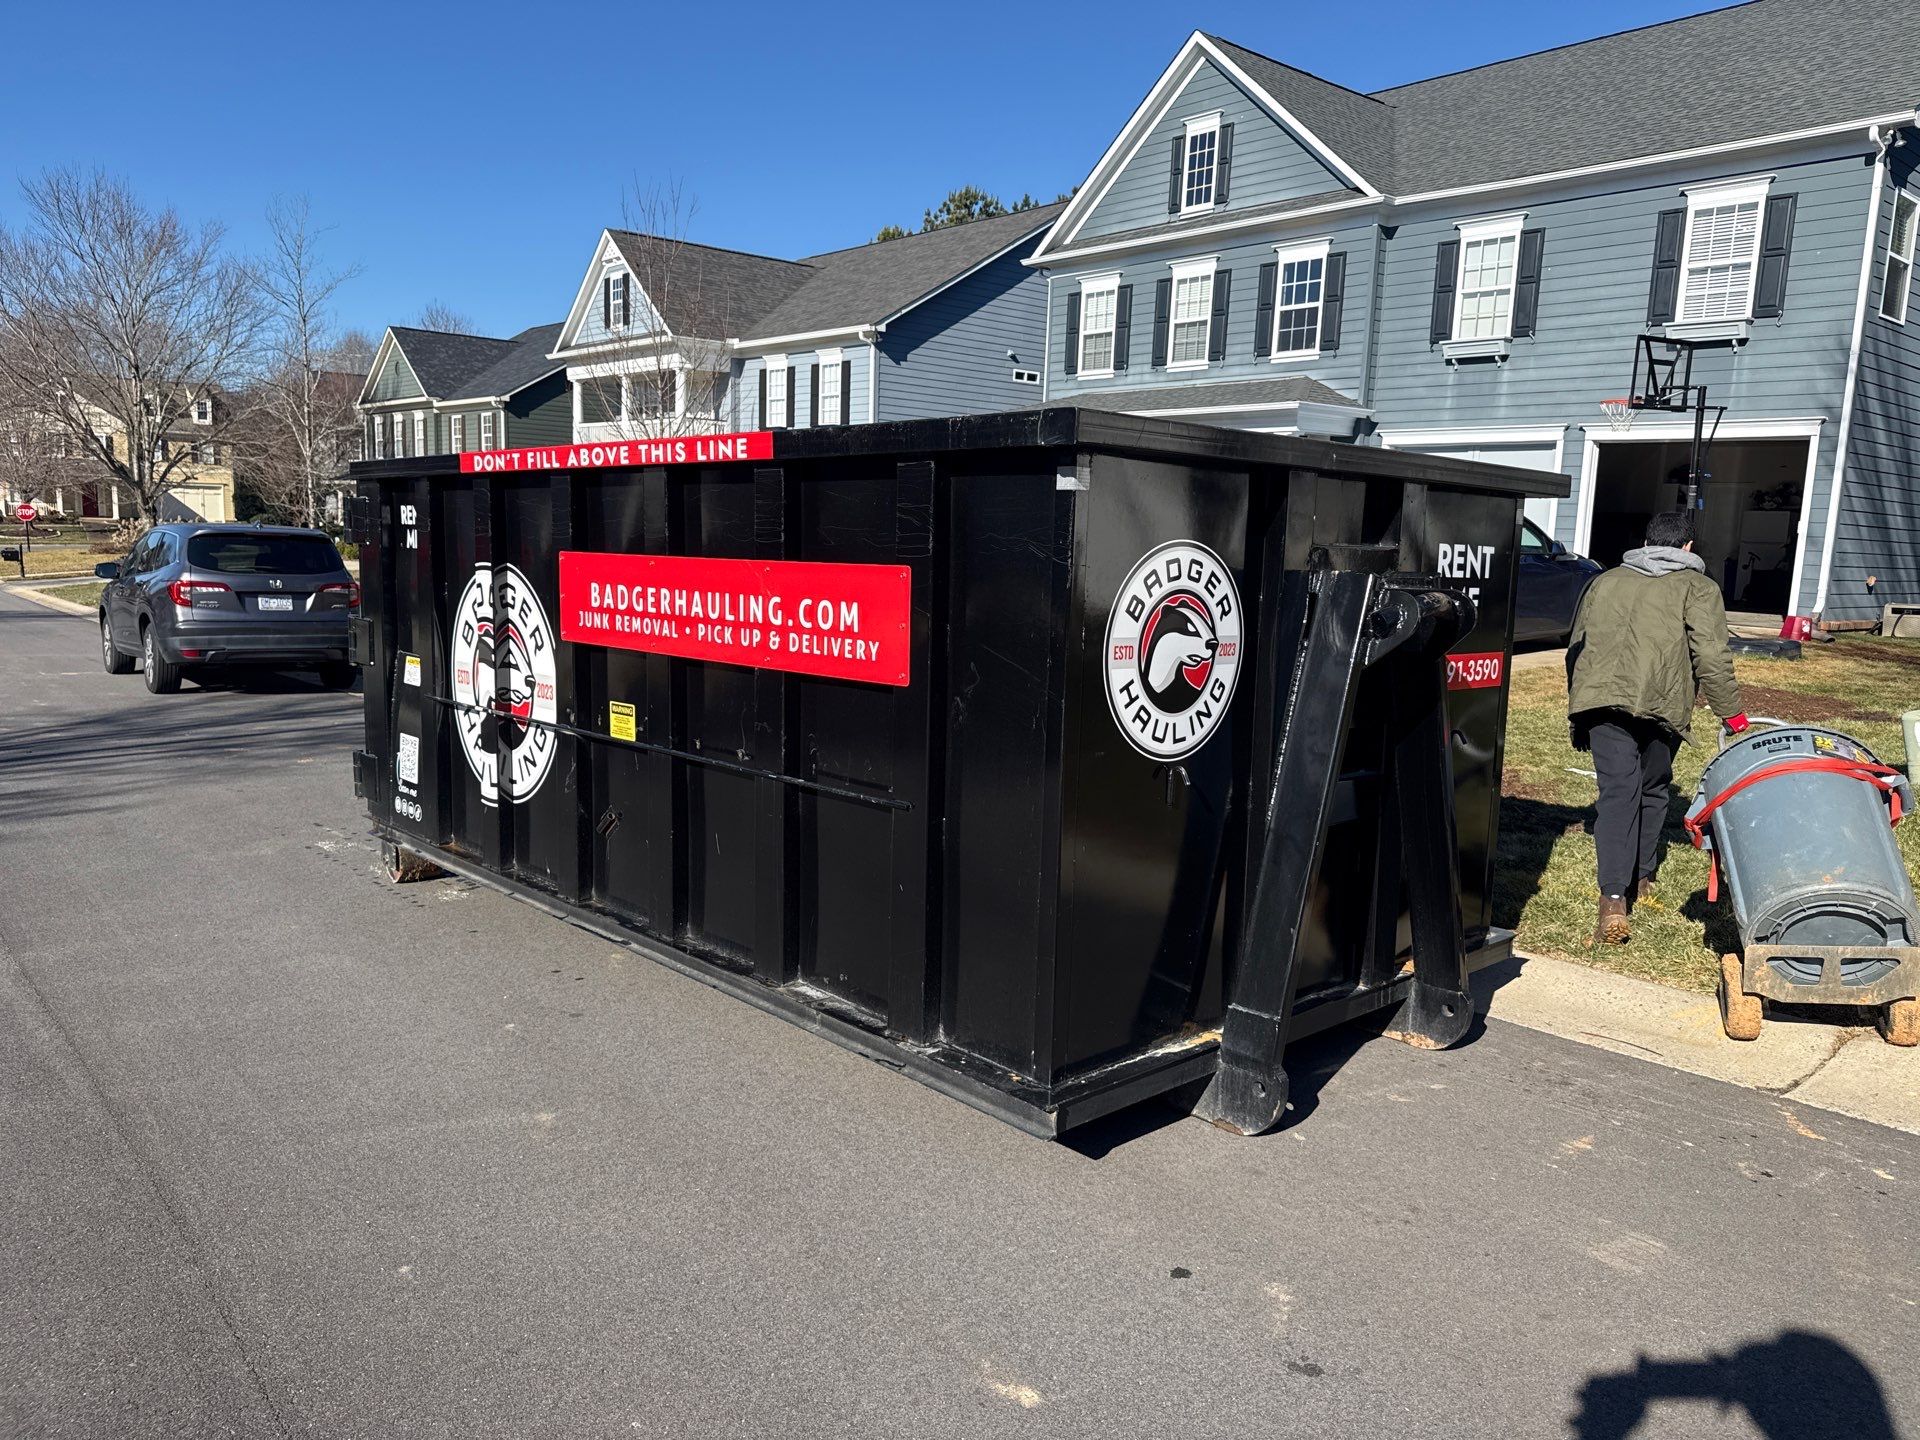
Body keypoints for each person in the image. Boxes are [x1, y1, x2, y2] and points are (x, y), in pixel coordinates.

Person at [1566, 511, 1746, 944]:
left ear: (1646, 542)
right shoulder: (1698, 587)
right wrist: (1731, 713)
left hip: (1601, 701)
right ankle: (1635, 883)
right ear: (1687, 547)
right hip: (1663, 702)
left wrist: (1579, 706)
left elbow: (1576, 646)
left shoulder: (1604, 581)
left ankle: (1617, 895)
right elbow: (1710, 654)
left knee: (1619, 793)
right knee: (1652, 787)